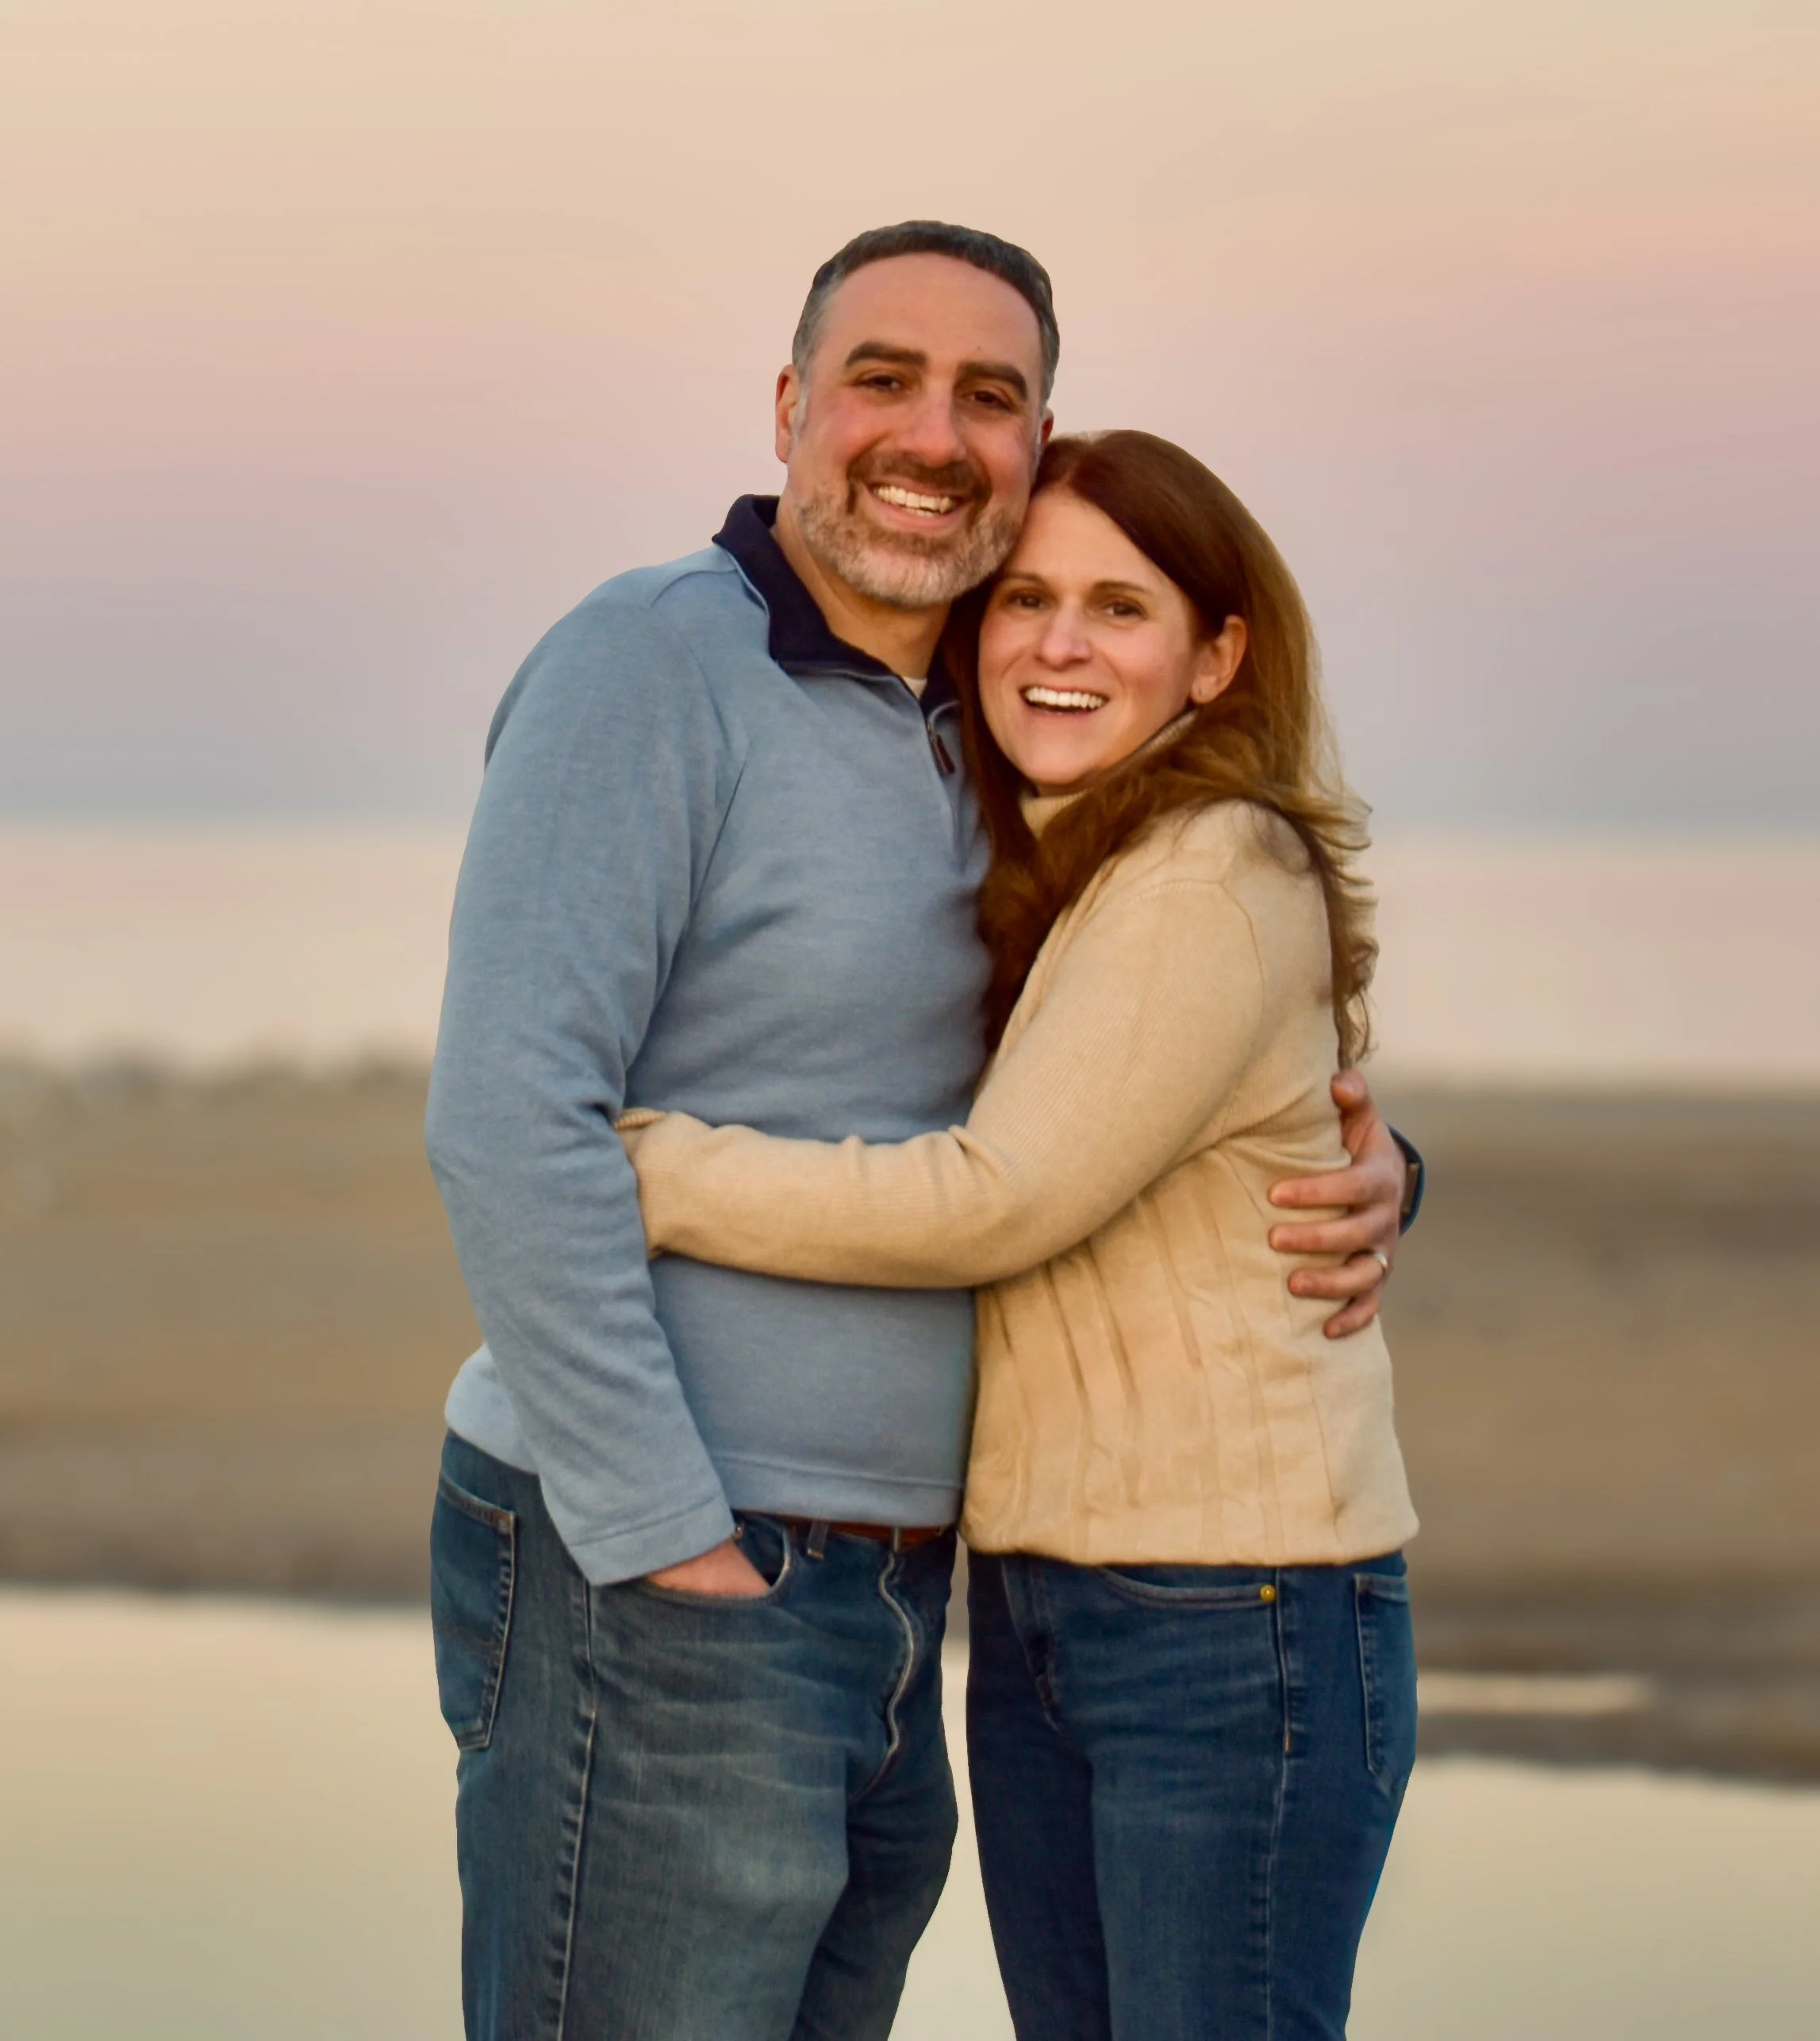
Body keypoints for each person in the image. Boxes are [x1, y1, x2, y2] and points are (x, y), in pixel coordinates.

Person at [425, 224, 1415, 2041]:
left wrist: (1371, 1163)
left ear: (1038, 441)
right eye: (880, 376)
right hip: (681, 1552)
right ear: (792, 405)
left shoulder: (1014, 726)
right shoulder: (650, 663)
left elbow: (1131, 1059)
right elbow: (505, 1114)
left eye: (991, 394)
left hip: (908, 1588)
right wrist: (663, 1541)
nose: (930, 431)